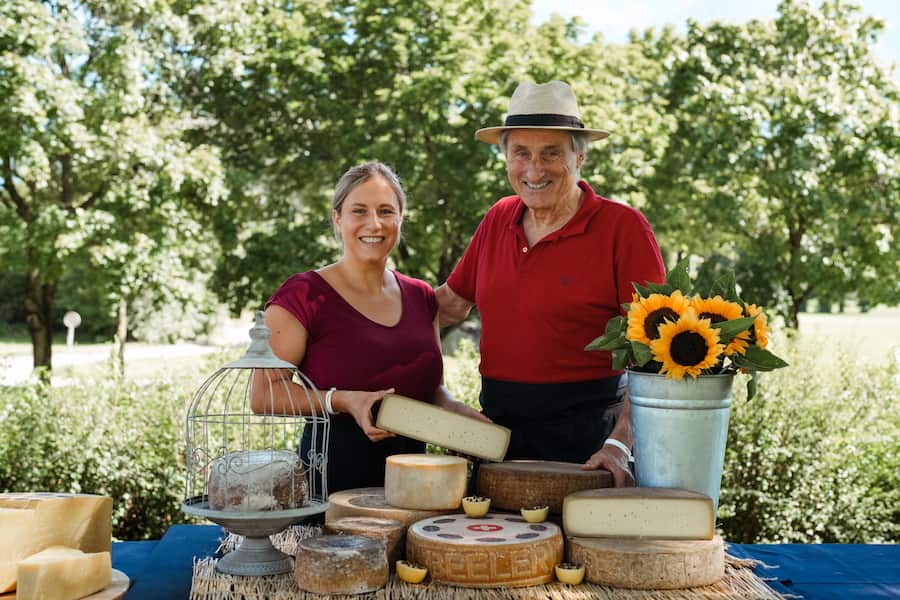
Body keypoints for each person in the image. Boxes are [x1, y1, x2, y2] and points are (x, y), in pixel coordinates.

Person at [436, 81, 665, 487]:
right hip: (498, 437)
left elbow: (656, 350)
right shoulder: (497, 218)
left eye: (551, 154)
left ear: (579, 156)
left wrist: (621, 442)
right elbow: (448, 306)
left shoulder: (623, 228)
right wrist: (370, 307)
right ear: (505, 157)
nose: (534, 169)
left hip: (591, 444)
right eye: (521, 153)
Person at [253, 161, 487, 493]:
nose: (374, 223)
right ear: (338, 218)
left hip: (414, 494)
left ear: (401, 218)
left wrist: (454, 413)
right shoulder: (302, 295)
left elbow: (430, 390)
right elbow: (264, 395)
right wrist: (345, 400)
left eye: (386, 211)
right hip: (329, 495)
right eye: (359, 211)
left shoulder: (421, 296)